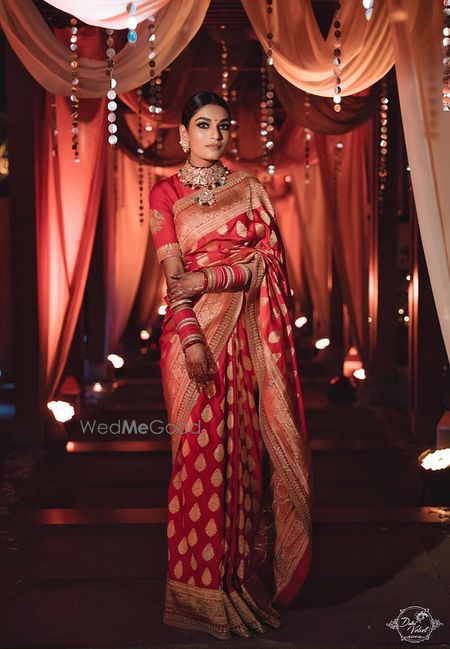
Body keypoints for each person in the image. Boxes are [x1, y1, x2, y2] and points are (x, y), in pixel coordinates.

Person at [149, 91, 313, 641]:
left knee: (240, 459)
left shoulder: (249, 190)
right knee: (196, 461)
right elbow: (174, 278)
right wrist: (193, 339)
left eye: (222, 126)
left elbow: (268, 266)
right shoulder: (166, 193)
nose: (214, 135)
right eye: (202, 125)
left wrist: (213, 279)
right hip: (189, 341)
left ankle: (236, 584)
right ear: (183, 133)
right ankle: (196, 593)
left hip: (242, 338)